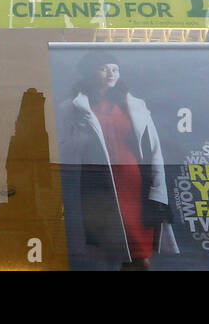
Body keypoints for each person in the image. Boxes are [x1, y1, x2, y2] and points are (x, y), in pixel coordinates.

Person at [58, 54, 177, 270]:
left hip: (135, 186)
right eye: (104, 68)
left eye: (115, 69)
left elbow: (154, 149)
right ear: (90, 72)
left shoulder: (134, 104)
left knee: (139, 256)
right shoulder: (72, 107)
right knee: (108, 256)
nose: (111, 73)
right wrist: (84, 135)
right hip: (99, 187)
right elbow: (64, 150)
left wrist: (158, 191)